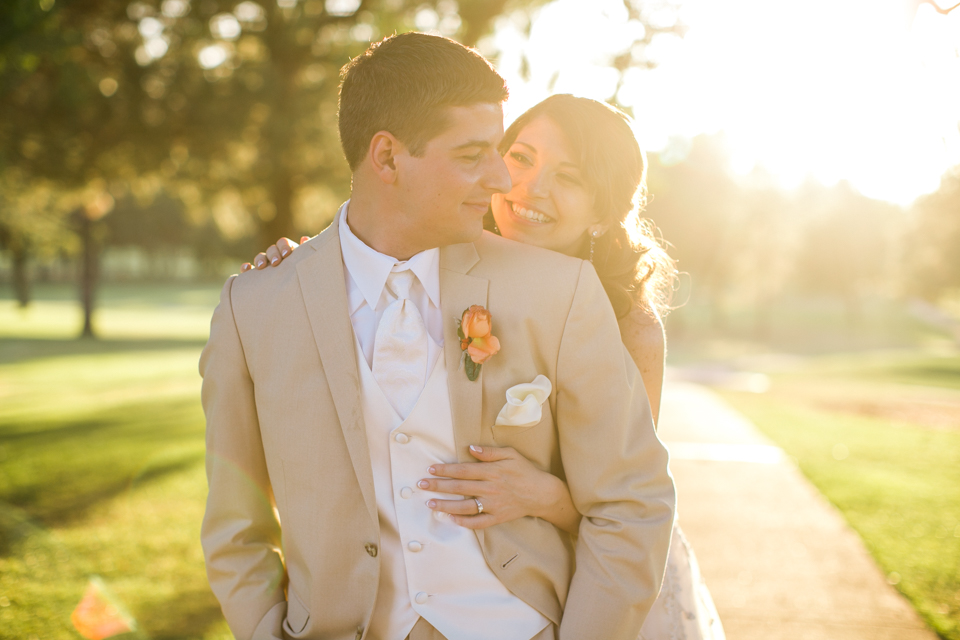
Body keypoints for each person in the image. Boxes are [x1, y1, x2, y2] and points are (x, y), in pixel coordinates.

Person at [201, 32, 675, 640]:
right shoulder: (256, 307)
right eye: (476, 154)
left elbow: (631, 503)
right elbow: (235, 529)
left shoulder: (561, 292)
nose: (504, 179)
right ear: (389, 158)